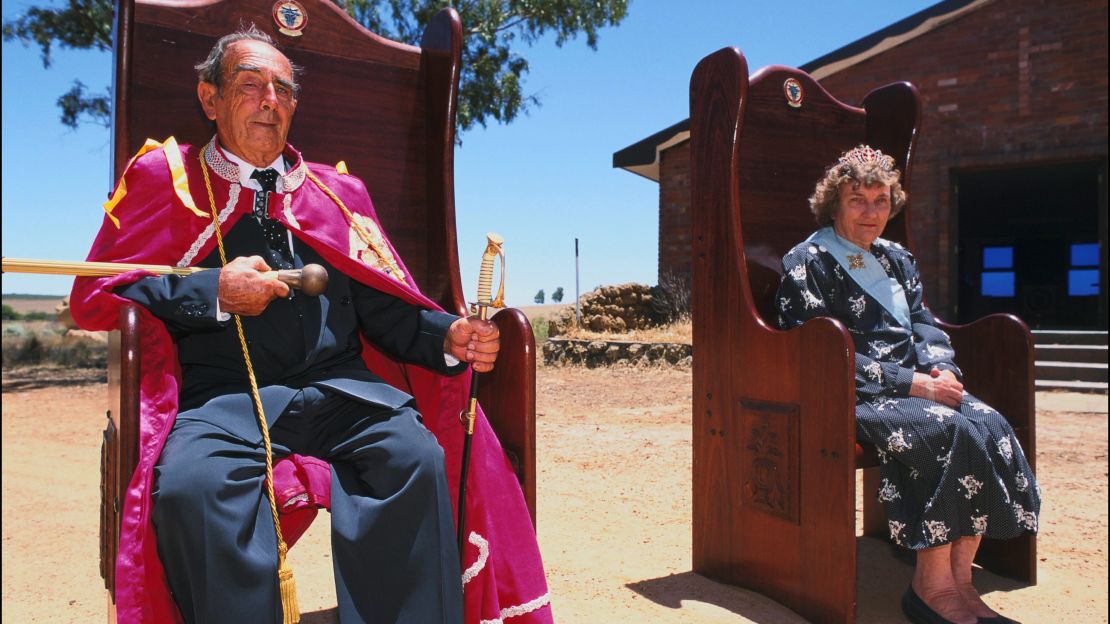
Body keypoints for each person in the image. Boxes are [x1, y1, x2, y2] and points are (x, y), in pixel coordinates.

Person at [71, 26, 551, 624]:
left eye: (283, 89)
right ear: (210, 98)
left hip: (345, 390)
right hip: (223, 399)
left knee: (414, 460)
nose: (270, 100)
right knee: (195, 492)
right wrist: (212, 292)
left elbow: (386, 305)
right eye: (250, 85)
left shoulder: (339, 192)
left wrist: (445, 335)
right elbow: (98, 294)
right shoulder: (166, 181)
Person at [775, 145, 1039, 624]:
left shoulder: (896, 258)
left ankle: (960, 584)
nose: (870, 211)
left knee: (988, 423)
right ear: (834, 202)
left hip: (918, 384)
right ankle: (929, 588)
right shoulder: (806, 261)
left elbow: (925, 323)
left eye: (880, 200)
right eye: (858, 199)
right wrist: (913, 384)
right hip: (849, 391)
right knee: (948, 431)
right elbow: (815, 352)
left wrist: (943, 370)